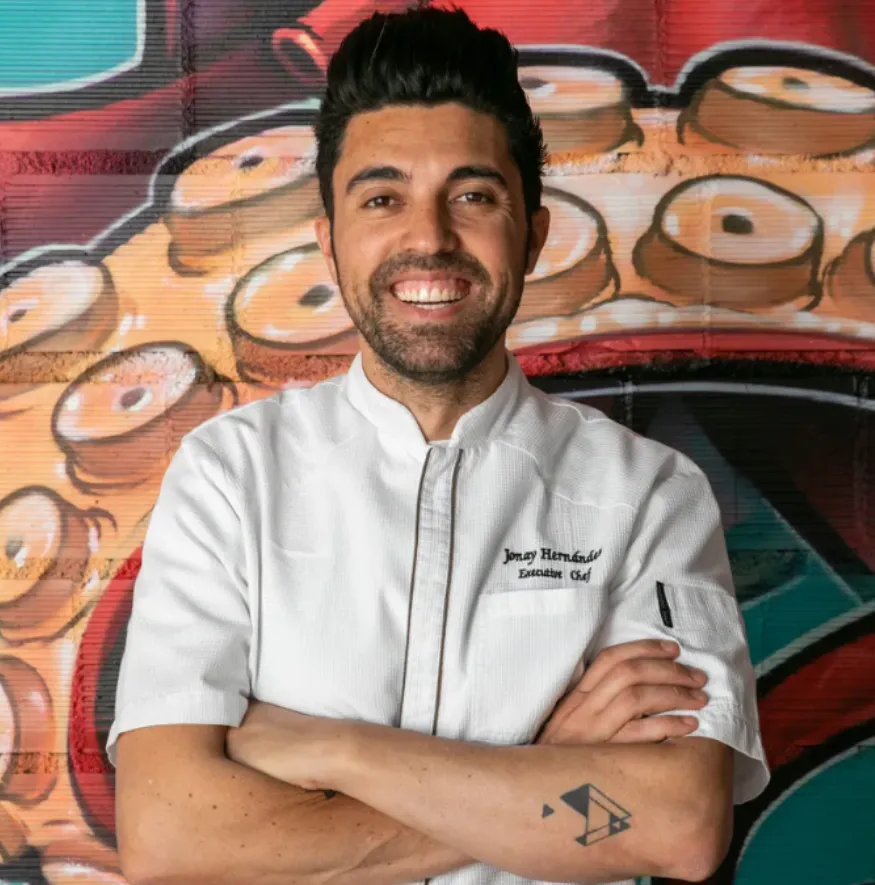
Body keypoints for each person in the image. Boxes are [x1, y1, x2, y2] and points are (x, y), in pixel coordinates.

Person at [109, 7, 770, 885]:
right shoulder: (230, 476)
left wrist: (327, 748)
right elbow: (172, 838)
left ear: (531, 236)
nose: (427, 237)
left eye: (473, 196)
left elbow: (677, 824)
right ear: (330, 242)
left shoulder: (648, 492)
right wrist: (537, 762)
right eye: (382, 198)